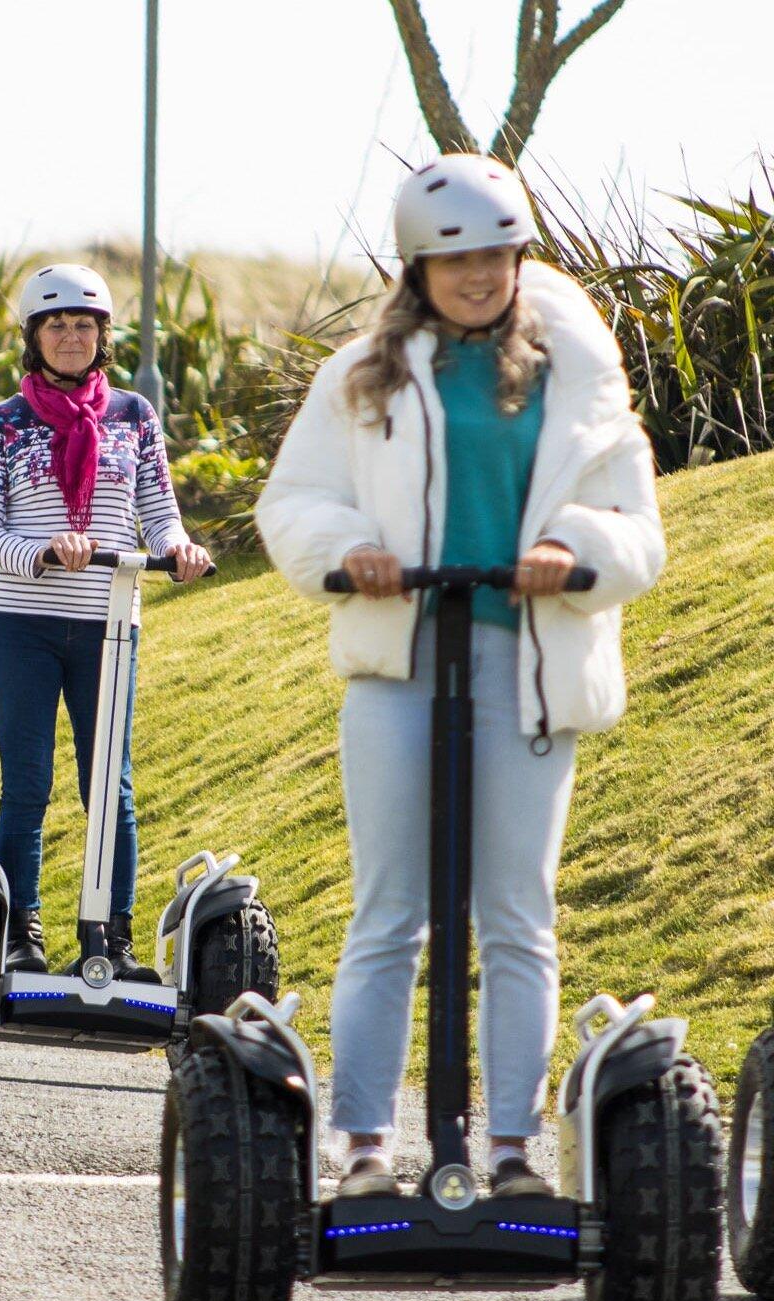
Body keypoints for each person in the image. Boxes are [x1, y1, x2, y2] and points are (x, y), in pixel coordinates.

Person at [255, 153, 665, 1199]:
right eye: (454, 259)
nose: (478, 274)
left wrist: (570, 552)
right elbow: (293, 500)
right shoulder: (363, 376)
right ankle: (357, 1150)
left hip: (523, 659)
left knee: (515, 916)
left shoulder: (577, 380)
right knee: (389, 911)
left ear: (517, 259)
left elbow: (635, 532)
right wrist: (348, 551)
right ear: (416, 270)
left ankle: (515, 1155)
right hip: (400, 658)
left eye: (494, 254)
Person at [0, 263, 214, 981]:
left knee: (111, 782)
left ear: (103, 337)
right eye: (56, 325)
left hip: (110, 623)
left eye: (84, 325)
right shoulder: (3, 424)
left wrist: (178, 546)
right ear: (34, 338)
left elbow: (159, 508)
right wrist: (42, 551)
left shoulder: (134, 415)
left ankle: (111, 939)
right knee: (28, 782)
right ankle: (20, 938)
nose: (70, 336)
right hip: (23, 624)